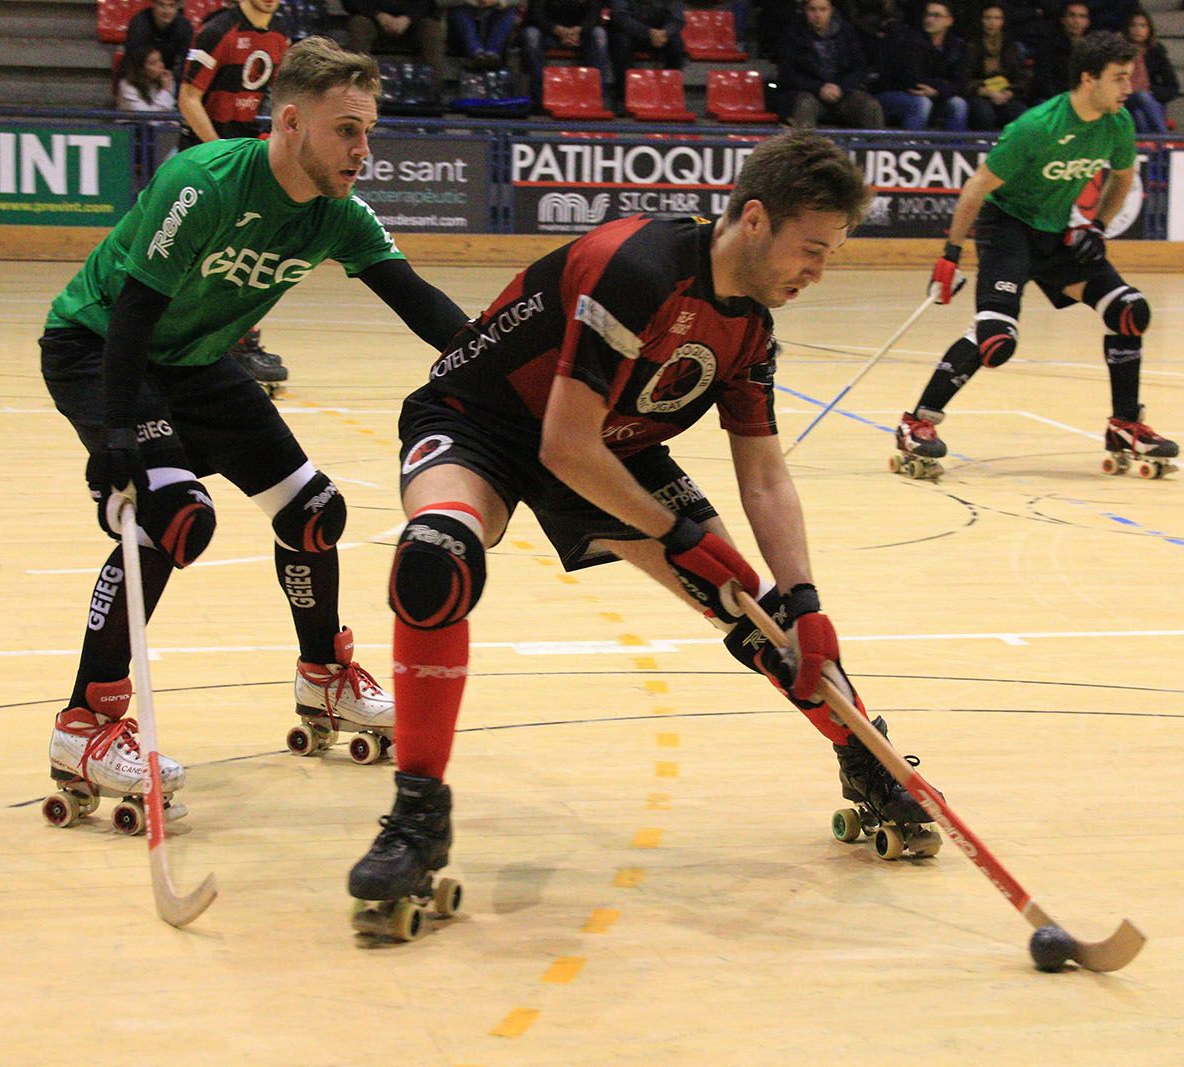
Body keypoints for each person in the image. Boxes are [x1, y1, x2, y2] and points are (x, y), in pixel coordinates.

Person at [346, 131, 944, 926]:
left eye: (830, 254)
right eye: (811, 249)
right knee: (436, 559)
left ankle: (864, 753)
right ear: (755, 219)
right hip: (481, 424)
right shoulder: (639, 267)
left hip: (612, 445)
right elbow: (562, 443)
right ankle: (417, 816)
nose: (817, 272)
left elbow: (764, 472)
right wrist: (676, 530)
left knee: (749, 603)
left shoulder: (752, 328)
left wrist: (804, 599)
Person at [37, 38, 469, 831]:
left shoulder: (338, 213)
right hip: (101, 346)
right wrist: (119, 432)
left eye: (368, 132)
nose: (363, 151)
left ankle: (324, 674)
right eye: (348, 131)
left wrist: (495, 366)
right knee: (171, 518)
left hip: (198, 361)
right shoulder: (203, 185)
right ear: (294, 122)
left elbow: (417, 300)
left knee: (314, 514)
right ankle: (83, 725)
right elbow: (132, 310)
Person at [893, 31, 1177, 478]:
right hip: (1006, 230)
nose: (1129, 89)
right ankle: (917, 423)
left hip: (1056, 234)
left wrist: (1097, 227)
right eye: (1119, 79)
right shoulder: (1036, 127)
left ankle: (1125, 425)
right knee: (996, 340)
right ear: (1088, 79)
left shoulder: (1117, 123)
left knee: (1129, 311)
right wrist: (950, 255)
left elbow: (1122, 179)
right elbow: (975, 189)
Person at [178, 0, 296, 389]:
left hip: (245, 153)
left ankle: (237, 342)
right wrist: (218, 151)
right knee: (195, 253)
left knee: (247, 251)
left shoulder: (281, 36)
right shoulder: (217, 31)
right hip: (205, 156)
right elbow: (188, 98)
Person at [775, 0, 884, 128]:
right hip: (808, 93)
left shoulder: (846, 32)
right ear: (805, 10)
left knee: (870, 106)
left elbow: (859, 69)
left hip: (842, 93)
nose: (818, 15)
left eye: (823, 9)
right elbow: (787, 73)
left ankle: (874, 147)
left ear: (831, 10)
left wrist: (840, 88)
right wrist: (819, 88)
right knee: (805, 105)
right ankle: (805, 147)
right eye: (812, 10)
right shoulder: (792, 34)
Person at [872, 0, 969, 130]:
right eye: (928, 15)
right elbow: (915, 80)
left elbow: (960, 83)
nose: (930, 19)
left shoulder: (957, 46)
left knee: (959, 104)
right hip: (895, 93)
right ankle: (911, 148)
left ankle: (955, 149)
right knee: (921, 103)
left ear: (949, 21)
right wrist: (943, 86)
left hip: (935, 94)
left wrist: (937, 91)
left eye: (936, 15)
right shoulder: (910, 40)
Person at [342, 0, 451, 83]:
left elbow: (429, 3)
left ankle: (431, 91)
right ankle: (356, 87)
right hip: (371, 19)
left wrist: (408, 18)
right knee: (358, 24)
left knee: (432, 29)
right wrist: (379, 15)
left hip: (414, 22)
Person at [520, 0, 608, 100]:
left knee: (599, 34)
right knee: (531, 34)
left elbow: (594, 14)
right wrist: (558, 30)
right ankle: (539, 97)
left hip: (580, 34)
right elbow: (535, 15)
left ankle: (597, 96)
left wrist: (579, 30)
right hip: (548, 33)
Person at [607, 0, 687, 109]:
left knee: (676, 44)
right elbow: (620, 16)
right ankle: (622, 97)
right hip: (630, 32)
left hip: (660, 34)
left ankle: (668, 96)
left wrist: (665, 32)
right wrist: (648, 32)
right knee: (621, 42)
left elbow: (677, 19)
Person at [965, 4, 1031, 130]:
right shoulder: (971, 46)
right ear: (981, 20)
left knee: (1021, 112)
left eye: (997, 18)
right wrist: (987, 92)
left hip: (1006, 93)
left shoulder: (1012, 46)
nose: (992, 22)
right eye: (988, 18)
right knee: (984, 113)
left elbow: (1022, 78)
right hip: (980, 94)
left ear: (1003, 21)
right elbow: (965, 78)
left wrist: (1008, 93)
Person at [1122, 9, 1175, 133]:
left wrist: (1153, 92)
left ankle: (1156, 150)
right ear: (1127, 29)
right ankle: (1164, 138)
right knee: (1142, 96)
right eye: (1133, 25)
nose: (1137, 30)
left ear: (1149, 29)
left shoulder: (1156, 52)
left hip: (1149, 102)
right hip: (1124, 99)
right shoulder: (1119, 51)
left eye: (1142, 26)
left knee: (1139, 114)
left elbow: (1173, 87)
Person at [1031, 0, 1086, 103]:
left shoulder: (1092, 47)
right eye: (1072, 16)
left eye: (1082, 16)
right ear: (1063, 20)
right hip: (1054, 98)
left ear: (1088, 22)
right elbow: (1043, 81)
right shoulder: (1048, 45)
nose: (1076, 21)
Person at [125, 0, 194, 81]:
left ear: (177, 7)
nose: (166, 11)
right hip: (140, 80)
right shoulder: (138, 25)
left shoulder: (184, 27)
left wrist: (171, 80)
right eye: (161, 5)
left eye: (171, 6)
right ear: (153, 5)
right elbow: (134, 64)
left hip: (169, 79)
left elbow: (181, 64)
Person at [442, 0, 522, 70]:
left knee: (510, 11)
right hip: (463, 16)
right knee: (459, 12)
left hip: (495, 15)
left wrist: (497, 1)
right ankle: (477, 53)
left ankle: (491, 54)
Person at [116, 47, 179, 113]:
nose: (161, 66)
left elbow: (171, 111)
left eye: (160, 60)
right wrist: (165, 90)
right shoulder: (127, 87)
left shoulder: (164, 81)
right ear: (141, 69)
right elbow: (149, 119)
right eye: (153, 63)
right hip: (134, 122)